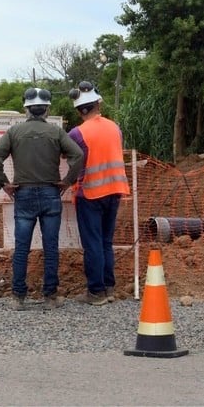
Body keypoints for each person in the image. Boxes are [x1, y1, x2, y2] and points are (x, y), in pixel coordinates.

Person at [0, 87, 83, 311]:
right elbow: (77, 155)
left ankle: (18, 297)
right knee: (51, 247)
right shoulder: (56, 132)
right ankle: (50, 296)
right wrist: (67, 180)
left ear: (26, 109)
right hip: (51, 193)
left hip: (24, 195)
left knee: (22, 248)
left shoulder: (14, 132)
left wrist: (4, 184)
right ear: (47, 110)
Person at [67, 81, 130, 306]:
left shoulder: (77, 133)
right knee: (105, 241)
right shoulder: (115, 127)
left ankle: (96, 291)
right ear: (97, 104)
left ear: (78, 109)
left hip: (91, 192)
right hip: (115, 189)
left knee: (92, 243)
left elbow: (68, 159)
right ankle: (109, 287)